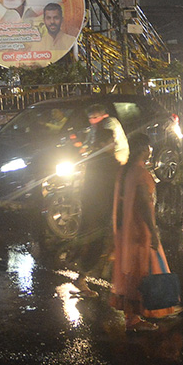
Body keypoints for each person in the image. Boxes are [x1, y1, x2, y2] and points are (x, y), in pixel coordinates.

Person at [110, 133, 182, 331]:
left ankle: (133, 316)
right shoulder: (141, 174)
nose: (151, 150)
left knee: (131, 271)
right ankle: (139, 316)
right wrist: (152, 230)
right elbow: (143, 203)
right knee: (140, 271)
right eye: (149, 147)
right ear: (143, 149)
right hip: (139, 230)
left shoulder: (124, 171)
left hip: (125, 228)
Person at [72, 125, 119, 297]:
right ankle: (82, 278)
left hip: (96, 209)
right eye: (111, 141)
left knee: (100, 245)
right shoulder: (105, 162)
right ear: (103, 143)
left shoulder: (97, 159)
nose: (114, 144)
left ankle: (90, 276)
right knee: (96, 246)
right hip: (100, 210)